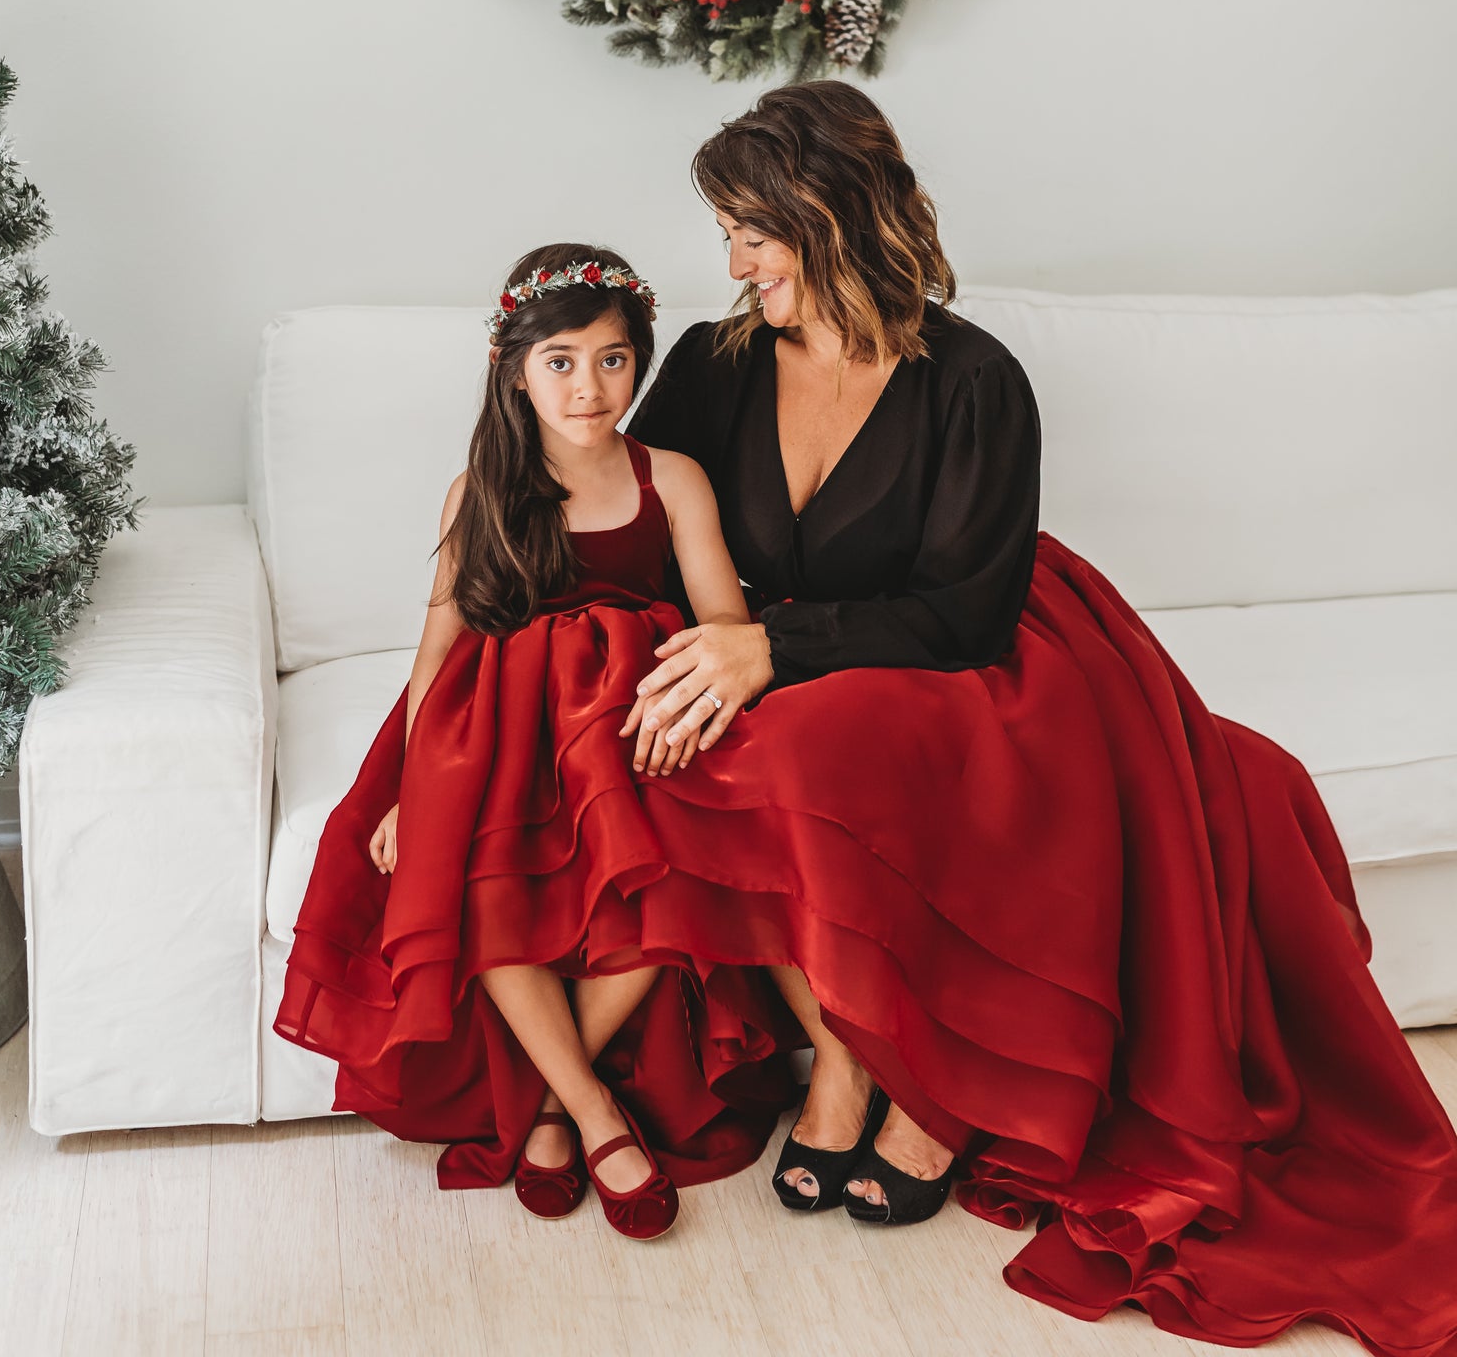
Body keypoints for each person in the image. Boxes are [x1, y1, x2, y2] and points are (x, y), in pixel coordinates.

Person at [622, 81, 1457, 1353]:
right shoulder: (710, 362)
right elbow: (626, 511)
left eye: (752, 231)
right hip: (781, 644)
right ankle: (848, 1051)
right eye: (726, 233)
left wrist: (766, 648)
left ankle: (930, 1095)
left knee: (814, 747)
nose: (731, 262)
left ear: (828, 213)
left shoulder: (972, 378)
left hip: (968, 647)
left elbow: (962, 611)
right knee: (697, 746)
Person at [271, 243, 801, 1240]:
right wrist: (405, 790)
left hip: (631, 719)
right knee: (476, 879)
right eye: (559, 361)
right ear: (514, 371)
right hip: (497, 728)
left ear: (638, 362)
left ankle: (551, 1101)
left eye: (611, 359)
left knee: (678, 871)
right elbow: (439, 650)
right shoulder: (481, 488)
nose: (587, 386)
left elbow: (722, 627)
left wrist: (696, 714)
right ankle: (595, 1112)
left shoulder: (671, 478)